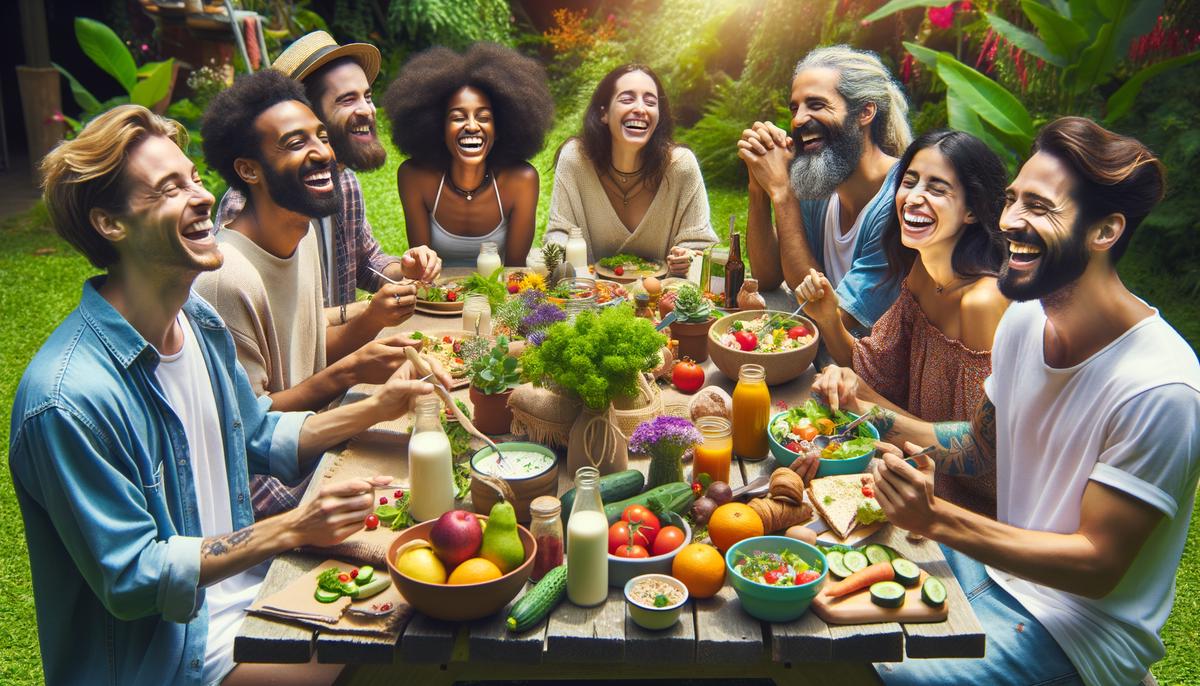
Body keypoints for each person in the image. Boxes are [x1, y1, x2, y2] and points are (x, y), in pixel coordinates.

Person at [9, 104, 450, 686]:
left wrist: (381, 404)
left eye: (192, 178)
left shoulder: (196, 319)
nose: (199, 196)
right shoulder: (68, 400)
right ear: (109, 224)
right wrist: (292, 528)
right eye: (168, 189)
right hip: (177, 657)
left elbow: (258, 433)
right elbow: (133, 577)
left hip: (248, 594)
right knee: (417, 644)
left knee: (432, 596)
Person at [867, 118, 1199, 686]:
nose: (1009, 222)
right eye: (1012, 199)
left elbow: (1097, 564)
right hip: (995, 572)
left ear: (1105, 231)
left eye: (1039, 207)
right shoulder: (1025, 318)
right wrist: (874, 421)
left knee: (861, 665)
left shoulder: (1161, 388)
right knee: (817, 576)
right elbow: (978, 447)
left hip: (1076, 632)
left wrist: (937, 517)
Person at [197, 70, 424, 517]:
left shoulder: (297, 233)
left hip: (316, 444)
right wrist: (349, 372)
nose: (322, 152)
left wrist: (372, 326)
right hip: (266, 493)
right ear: (248, 170)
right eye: (295, 143)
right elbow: (252, 428)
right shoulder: (226, 278)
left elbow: (308, 347)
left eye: (320, 137)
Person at [794, 130, 1009, 515]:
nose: (914, 197)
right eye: (909, 181)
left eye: (938, 188)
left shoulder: (983, 303)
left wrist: (861, 404)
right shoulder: (923, 272)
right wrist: (828, 319)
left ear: (972, 210)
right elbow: (875, 373)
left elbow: (979, 460)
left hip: (961, 508)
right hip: (905, 469)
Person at [214, 31, 441, 321]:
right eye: (348, 100)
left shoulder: (344, 183)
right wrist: (365, 313)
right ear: (305, 113)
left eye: (367, 96)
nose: (368, 110)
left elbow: (366, 262)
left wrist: (407, 269)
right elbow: (267, 322)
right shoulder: (255, 200)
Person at [738, 45, 911, 333]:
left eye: (816, 105)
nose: (798, 119)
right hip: (819, 354)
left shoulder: (900, 200)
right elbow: (766, 277)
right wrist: (758, 186)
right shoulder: (820, 179)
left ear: (865, 112)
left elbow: (838, 318)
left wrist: (783, 192)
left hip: (864, 367)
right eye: (795, 107)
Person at [384, 43, 552, 267]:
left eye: (483, 117)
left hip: (498, 296)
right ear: (438, 128)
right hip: (440, 299)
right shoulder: (415, 177)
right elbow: (422, 270)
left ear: (500, 129)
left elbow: (515, 271)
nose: (472, 126)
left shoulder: (521, 181)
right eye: (457, 117)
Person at [545, 64, 717, 275]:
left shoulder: (681, 166)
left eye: (650, 102)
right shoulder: (576, 159)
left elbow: (701, 247)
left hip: (663, 301)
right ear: (604, 113)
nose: (640, 109)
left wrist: (687, 257)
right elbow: (559, 232)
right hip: (589, 297)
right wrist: (559, 254)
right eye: (627, 99)